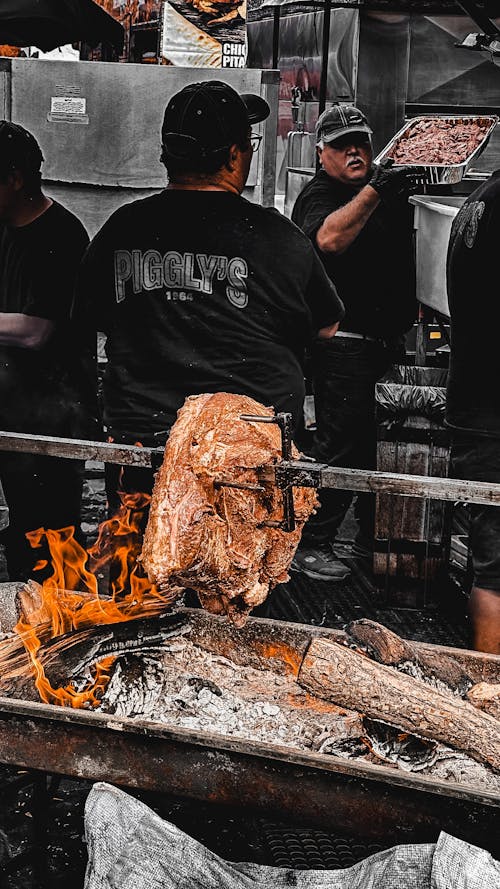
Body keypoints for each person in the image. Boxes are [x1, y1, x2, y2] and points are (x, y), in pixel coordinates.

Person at [72, 80, 345, 514]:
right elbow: (326, 325)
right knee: (239, 574)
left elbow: (90, 318)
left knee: (141, 571)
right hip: (248, 454)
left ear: (167, 155)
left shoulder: (123, 228)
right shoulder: (278, 238)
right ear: (236, 155)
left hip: (143, 447)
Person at [291, 104, 420, 580]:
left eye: (361, 142)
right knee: (339, 445)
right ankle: (311, 542)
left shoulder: (382, 194)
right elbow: (328, 241)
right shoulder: (320, 195)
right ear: (321, 152)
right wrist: (375, 190)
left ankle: (370, 538)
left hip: (383, 342)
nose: (354, 151)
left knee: (372, 447)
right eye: (343, 145)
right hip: (342, 346)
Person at [0, 121, 94, 581]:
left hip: (53, 417)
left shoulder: (63, 237)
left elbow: (35, 331)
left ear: (15, 179)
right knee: (20, 529)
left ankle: (58, 626)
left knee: (52, 538)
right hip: (8, 406)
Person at [446, 172, 500, 654]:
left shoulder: (480, 200)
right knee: (498, 567)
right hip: (494, 415)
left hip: (478, 404)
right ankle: (489, 706)